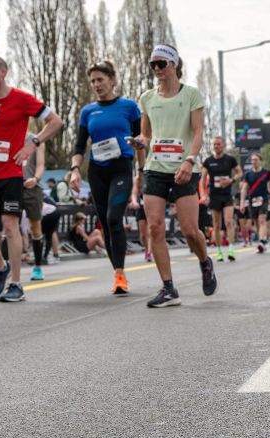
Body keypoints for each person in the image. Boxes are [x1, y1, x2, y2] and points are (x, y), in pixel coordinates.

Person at [0, 56, 63, 303]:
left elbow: (56, 121)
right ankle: (1, 266)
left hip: (10, 174)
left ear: (3, 72)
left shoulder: (22, 99)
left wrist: (33, 143)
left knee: (10, 226)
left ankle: (16, 284)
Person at [135, 44, 217, 307]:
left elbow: (198, 132)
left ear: (174, 64)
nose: (157, 69)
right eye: (153, 65)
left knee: (190, 231)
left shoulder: (191, 94)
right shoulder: (147, 98)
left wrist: (190, 160)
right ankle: (168, 288)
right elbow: (146, 134)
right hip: (155, 168)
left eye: (161, 63)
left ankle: (205, 262)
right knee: (155, 227)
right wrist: (139, 141)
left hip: (184, 169)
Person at [70, 61, 140, 294]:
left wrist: (142, 169)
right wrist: (75, 169)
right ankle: (119, 275)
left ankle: (120, 272)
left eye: (100, 79)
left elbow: (142, 138)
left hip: (121, 168)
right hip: (97, 171)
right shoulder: (88, 111)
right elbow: (79, 146)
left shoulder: (129, 107)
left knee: (113, 218)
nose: (96, 85)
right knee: (106, 225)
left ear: (112, 80)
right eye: (92, 81)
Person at [201, 136, 242, 261]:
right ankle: (219, 251)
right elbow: (203, 179)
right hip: (214, 195)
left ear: (223, 145)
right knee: (216, 225)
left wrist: (231, 180)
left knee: (229, 222)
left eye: (218, 144)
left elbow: (240, 173)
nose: (216, 146)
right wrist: (203, 194)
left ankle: (231, 249)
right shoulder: (208, 161)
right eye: (214, 144)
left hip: (227, 195)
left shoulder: (230, 159)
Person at [18, 133, 46, 281]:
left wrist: (35, 178)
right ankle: (4, 266)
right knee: (8, 226)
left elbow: (40, 165)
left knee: (35, 227)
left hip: (32, 187)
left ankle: (37, 267)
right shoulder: (9, 135)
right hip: (13, 186)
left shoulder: (36, 139)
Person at [239, 152, 270, 253]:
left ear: (260, 161)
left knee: (262, 220)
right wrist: (242, 202)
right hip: (252, 200)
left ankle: (262, 241)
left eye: (256, 160)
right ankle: (261, 241)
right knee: (257, 222)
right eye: (252, 160)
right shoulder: (248, 174)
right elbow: (244, 189)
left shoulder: (266, 172)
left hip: (264, 198)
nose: (253, 162)